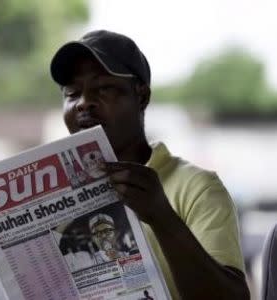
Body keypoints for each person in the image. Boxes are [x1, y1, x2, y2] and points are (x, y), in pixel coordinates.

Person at [49, 30, 250, 299]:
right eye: (72, 93)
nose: (84, 103)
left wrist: (161, 216)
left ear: (141, 96)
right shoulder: (55, 192)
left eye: (104, 89)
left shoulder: (197, 187)